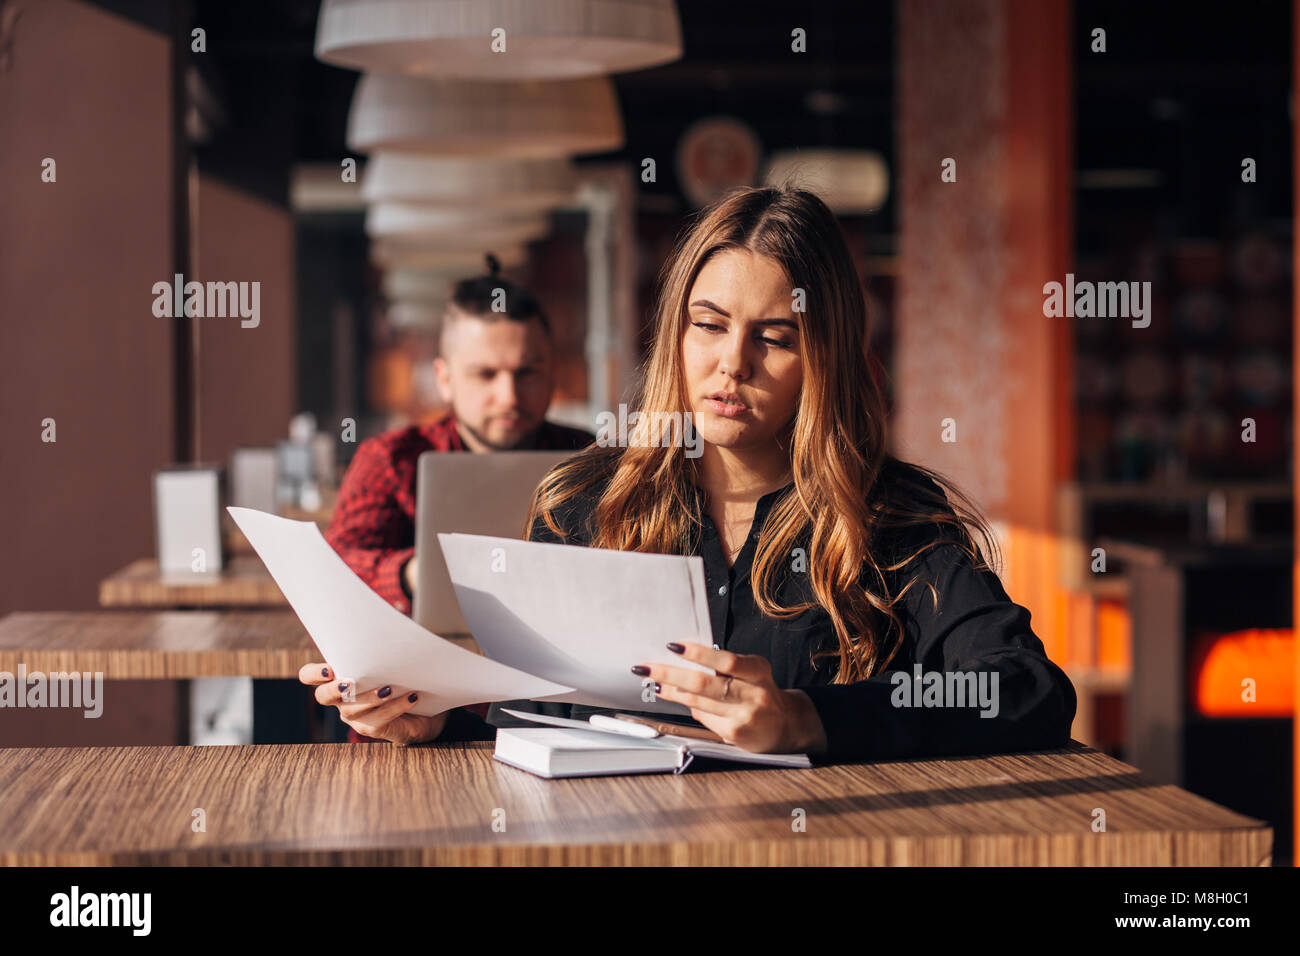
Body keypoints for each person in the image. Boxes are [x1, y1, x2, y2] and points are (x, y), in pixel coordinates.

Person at [302, 187, 1077, 762]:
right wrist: (433, 718)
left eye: (774, 337)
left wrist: (813, 718)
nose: (730, 363)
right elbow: (539, 713)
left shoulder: (896, 519)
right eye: (708, 326)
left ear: (825, 358)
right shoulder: (582, 502)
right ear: (677, 332)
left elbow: (1028, 692)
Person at [322, 253, 592, 740]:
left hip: (564, 712)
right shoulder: (391, 458)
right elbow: (330, 578)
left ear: (553, 372)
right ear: (444, 378)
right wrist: (412, 573)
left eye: (527, 372)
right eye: (485, 375)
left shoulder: (593, 459)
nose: (509, 396)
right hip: (409, 718)